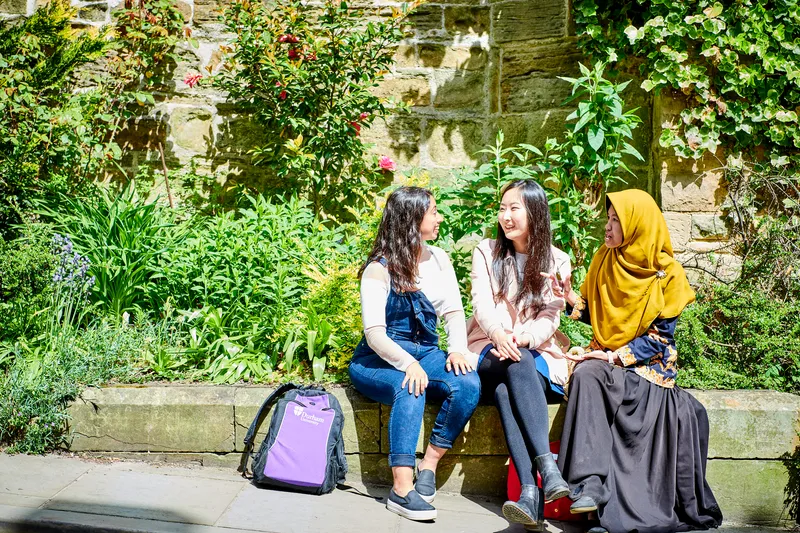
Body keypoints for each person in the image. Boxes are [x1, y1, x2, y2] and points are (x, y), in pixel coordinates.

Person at [553, 189, 723, 533]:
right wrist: (570, 297)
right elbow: (599, 316)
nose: (608, 226)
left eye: (617, 220)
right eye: (609, 218)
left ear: (637, 225)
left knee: (591, 372)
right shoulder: (604, 259)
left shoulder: (667, 273)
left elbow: (661, 339)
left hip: (649, 374)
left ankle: (603, 503)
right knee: (586, 372)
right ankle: (589, 486)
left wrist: (614, 355)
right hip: (607, 363)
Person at [349, 186, 481, 522]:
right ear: (411, 219)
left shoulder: (439, 259)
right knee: (410, 387)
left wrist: (457, 349)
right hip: (376, 361)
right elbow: (375, 335)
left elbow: (453, 311)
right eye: (433, 211)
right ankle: (401, 489)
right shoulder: (378, 270)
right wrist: (408, 364)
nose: (439, 218)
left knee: (467, 384)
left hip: (427, 351)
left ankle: (429, 465)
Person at [466, 179, 572, 530]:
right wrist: (499, 334)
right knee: (513, 362)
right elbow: (481, 302)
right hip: (487, 346)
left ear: (535, 212)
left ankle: (529, 491)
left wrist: (523, 337)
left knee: (504, 388)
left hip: (534, 351)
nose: (505, 216)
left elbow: (551, 314)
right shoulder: (487, 251)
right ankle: (548, 469)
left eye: (514, 208)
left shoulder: (557, 260)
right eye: (502, 208)